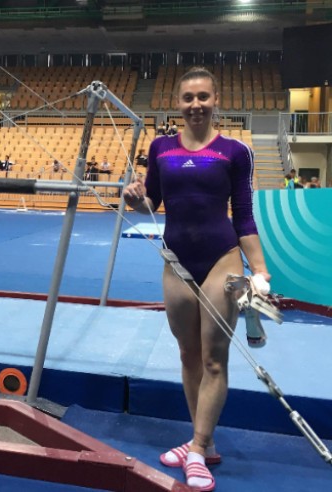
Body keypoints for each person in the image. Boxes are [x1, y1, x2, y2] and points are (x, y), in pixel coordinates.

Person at [123, 66, 270, 492]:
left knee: (213, 360)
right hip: (176, 262)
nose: (196, 105)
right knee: (188, 355)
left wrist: (260, 270)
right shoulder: (161, 147)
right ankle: (202, 441)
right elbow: (150, 204)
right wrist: (134, 199)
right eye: (188, 98)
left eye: (203, 97)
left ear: (216, 100)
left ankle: (199, 448)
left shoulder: (235, 151)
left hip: (222, 260)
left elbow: (244, 216)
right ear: (178, 103)